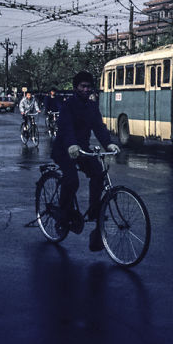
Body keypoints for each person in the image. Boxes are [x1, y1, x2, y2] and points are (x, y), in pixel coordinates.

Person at [51, 71, 120, 252]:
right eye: (82, 86)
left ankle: (94, 210)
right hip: (65, 149)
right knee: (72, 180)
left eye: (88, 86)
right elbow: (66, 128)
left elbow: (99, 127)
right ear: (75, 88)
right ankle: (63, 215)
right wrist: (71, 145)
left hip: (82, 149)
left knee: (98, 174)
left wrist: (109, 144)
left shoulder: (92, 106)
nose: (86, 89)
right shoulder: (68, 105)